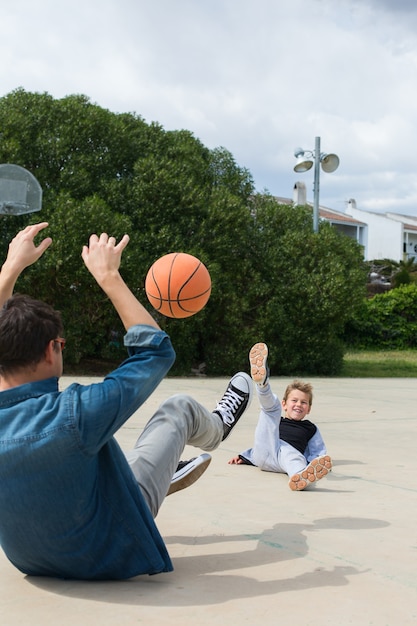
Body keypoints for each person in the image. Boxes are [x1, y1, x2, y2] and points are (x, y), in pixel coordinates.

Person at [0, 222, 253, 580]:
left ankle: (163, 468)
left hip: (31, 562)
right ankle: (217, 428)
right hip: (108, 552)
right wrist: (108, 276)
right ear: (50, 349)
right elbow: (156, 353)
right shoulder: (75, 413)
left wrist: (10, 268)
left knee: (95, 455)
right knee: (178, 408)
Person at [228, 342, 332, 491]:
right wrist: (244, 457)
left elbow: (318, 451)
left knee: (294, 456)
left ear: (309, 409)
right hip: (264, 453)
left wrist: (320, 464)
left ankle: (300, 477)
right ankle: (262, 384)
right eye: (294, 401)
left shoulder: (310, 428)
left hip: (286, 458)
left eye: (304, 402)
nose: (298, 405)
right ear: (285, 404)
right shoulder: (277, 420)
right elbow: (263, 437)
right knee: (270, 412)